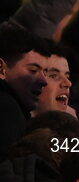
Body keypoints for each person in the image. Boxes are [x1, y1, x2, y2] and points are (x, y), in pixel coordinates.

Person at [0, 27, 50, 159]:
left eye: (45, 72)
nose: (44, 81)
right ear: (1, 69)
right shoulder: (6, 110)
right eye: (33, 70)